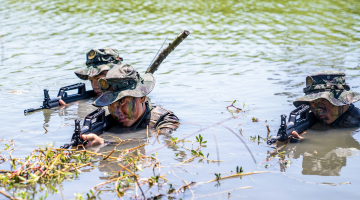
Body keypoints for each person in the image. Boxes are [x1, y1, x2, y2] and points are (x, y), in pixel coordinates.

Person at [80, 64, 180, 147]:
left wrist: (104, 143)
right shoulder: (108, 123)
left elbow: (159, 142)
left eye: (122, 102)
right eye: (110, 105)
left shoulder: (165, 119)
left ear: (142, 97)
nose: (117, 112)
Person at [291, 70, 360, 139]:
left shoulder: (356, 121)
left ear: (342, 99)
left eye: (323, 101)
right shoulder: (313, 119)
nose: (317, 109)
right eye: (312, 102)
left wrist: (310, 142)